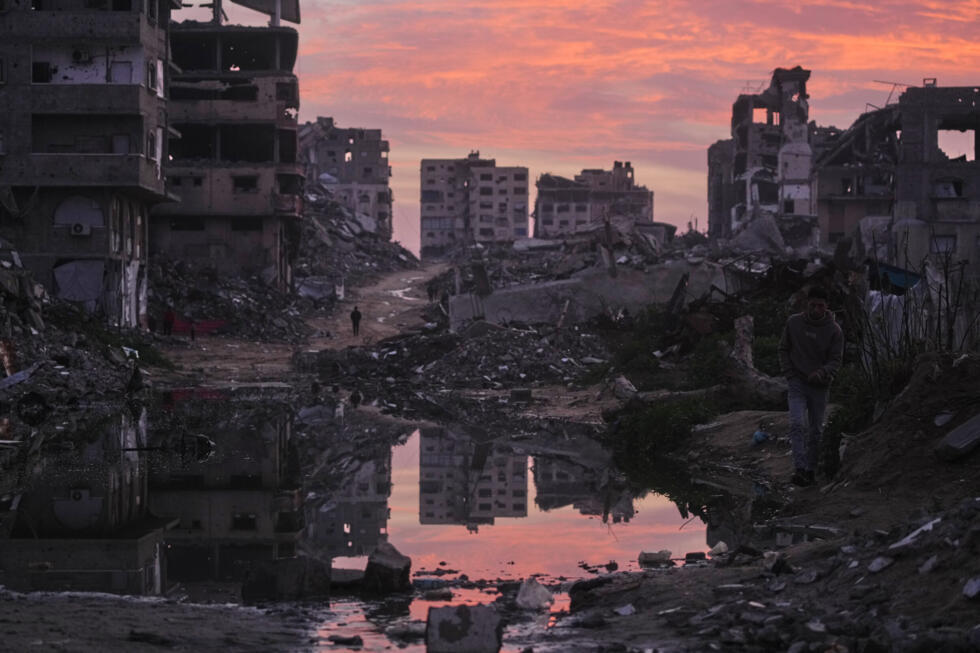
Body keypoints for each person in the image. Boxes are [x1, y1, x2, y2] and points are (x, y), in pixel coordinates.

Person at [778, 286, 843, 487]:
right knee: (797, 424)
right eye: (813, 305)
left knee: (815, 430)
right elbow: (783, 349)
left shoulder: (834, 330)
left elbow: (836, 360)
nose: (816, 310)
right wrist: (789, 374)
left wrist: (822, 372)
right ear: (806, 304)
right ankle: (799, 468)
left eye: (820, 306)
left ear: (827, 307)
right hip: (797, 381)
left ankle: (810, 470)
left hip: (820, 386)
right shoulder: (794, 323)